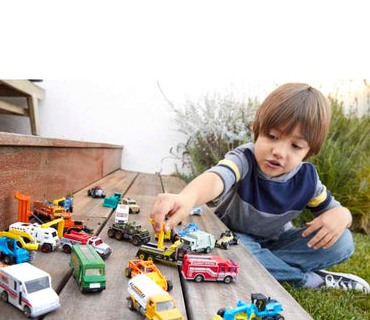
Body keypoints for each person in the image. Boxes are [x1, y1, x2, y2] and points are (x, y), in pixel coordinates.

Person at [150, 83, 369, 293]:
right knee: (237, 250)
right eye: (272, 136)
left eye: (295, 146)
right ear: (256, 130)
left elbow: (333, 211)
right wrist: (188, 198)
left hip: (277, 242)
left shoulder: (307, 180)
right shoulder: (244, 160)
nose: (279, 151)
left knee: (343, 242)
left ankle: (269, 265)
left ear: (309, 152)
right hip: (232, 238)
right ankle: (305, 279)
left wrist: (343, 215)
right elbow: (217, 178)